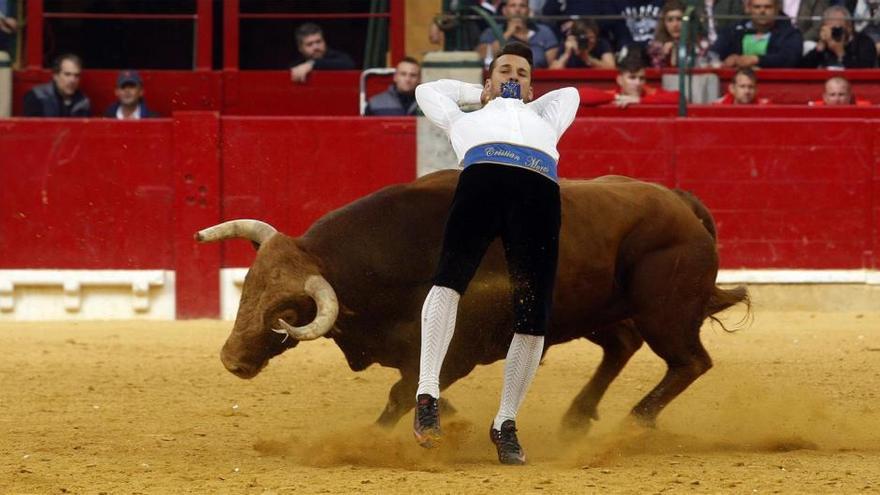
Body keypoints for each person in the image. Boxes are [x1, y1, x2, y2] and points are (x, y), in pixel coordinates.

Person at [412, 41, 579, 465]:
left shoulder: (545, 116)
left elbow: (569, 94)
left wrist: (525, 97)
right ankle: (427, 393)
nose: (513, 77)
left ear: (532, 85)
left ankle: (505, 421)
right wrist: (480, 94)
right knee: (448, 279)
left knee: (534, 313)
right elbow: (426, 91)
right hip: (481, 184)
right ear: (489, 78)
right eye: (505, 70)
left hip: (538, 196)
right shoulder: (464, 116)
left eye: (522, 73)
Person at [712, 0, 804, 68]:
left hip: (772, 84)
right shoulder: (733, 30)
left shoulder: (790, 33)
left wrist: (756, 59)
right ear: (748, 8)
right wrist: (728, 60)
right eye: (757, 7)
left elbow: (790, 58)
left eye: (768, 7)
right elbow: (713, 53)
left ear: (777, 9)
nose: (762, 11)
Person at [578, 50, 679, 107]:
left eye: (641, 78)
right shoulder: (613, 94)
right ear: (620, 80)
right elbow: (579, 96)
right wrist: (617, 98)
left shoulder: (650, 92)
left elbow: (679, 98)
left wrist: (639, 100)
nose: (638, 83)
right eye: (632, 78)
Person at [477, 0, 559, 68]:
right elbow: (485, 56)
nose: (517, 10)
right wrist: (509, 32)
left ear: (528, 11)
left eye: (522, 6)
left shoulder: (544, 31)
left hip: (538, 79)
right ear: (504, 11)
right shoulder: (491, 32)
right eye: (513, 6)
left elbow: (552, 65)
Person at [801, 5, 878, 68]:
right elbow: (801, 69)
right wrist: (819, 47)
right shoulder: (824, 45)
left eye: (837, 28)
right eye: (830, 29)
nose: (834, 32)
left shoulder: (864, 43)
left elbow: (863, 72)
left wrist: (840, 53)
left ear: (849, 27)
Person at [23, 53, 91, 117]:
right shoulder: (37, 96)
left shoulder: (83, 101)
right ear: (55, 76)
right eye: (67, 74)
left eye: (77, 75)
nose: (72, 80)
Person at [648, 0, 711, 68]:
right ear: (664, 23)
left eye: (679, 19)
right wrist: (664, 56)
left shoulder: (701, 45)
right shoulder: (656, 47)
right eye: (670, 20)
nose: (675, 25)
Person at [289, 23, 355, 83]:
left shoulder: (339, 57)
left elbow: (349, 64)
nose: (316, 47)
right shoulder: (297, 64)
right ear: (300, 48)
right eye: (309, 44)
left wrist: (312, 64)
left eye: (318, 42)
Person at [549, 19, 617, 69]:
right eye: (585, 38)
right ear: (575, 37)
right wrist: (566, 54)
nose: (589, 41)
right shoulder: (567, 45)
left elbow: (611, 68)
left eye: (591, 37)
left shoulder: (601, 44)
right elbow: (552, 71)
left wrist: (588, 58)